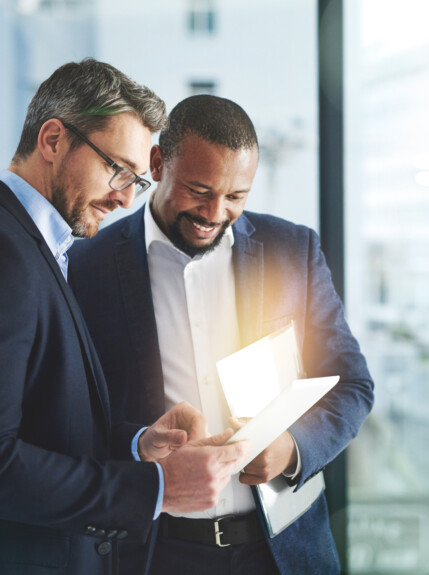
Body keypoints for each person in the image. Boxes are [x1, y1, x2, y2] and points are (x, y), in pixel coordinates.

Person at [69, 94, 375, 575]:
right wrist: (141, 444)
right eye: (199, 190)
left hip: (284, 552)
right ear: (157, 162)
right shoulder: (85, 267)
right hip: (153, 552)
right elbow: (71, 420)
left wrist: (293, 449)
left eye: (235, 197)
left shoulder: (293, 250)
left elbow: (353, 386)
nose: (214, 212)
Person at [0, 60, 251, 575]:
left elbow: (39, 425)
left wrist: (139, 444)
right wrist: (156, 488)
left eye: (137, 179)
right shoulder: (7, 253)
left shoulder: (44, 246)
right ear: (52, 140)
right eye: (117, 170)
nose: (124, 198)